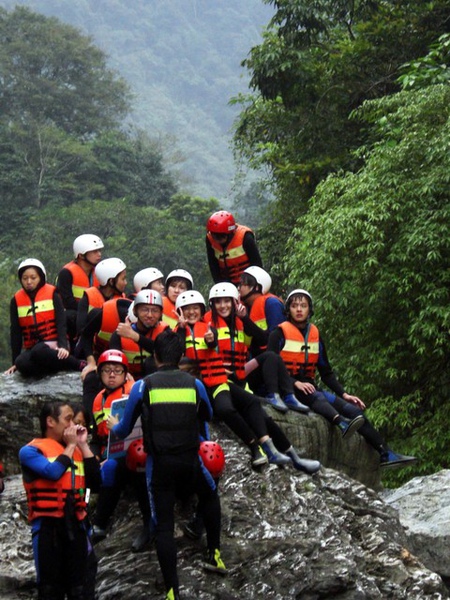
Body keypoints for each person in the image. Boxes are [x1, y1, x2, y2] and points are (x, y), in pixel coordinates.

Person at [107, 330, 227, 600]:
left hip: (159, 465)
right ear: (180, 355)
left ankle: (173, 591)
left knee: (163, 525)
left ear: (156, 356)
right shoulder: (194, 384)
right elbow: (208, 413)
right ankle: (215, 554)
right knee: (209, 495)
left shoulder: (142, 386)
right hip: (190, 461)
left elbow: (125, 429)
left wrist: (115, 426)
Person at [269, 288, 418, 467]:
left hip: (310, 386)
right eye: (294, 306)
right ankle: (341, 424)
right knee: (315, 396)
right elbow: (270, 367)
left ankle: (385, 453)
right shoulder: (278, 333)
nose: (299, 309)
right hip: (289, 388)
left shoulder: (314, 334)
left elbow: (326, 372)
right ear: (288, 309)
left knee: (355, 411)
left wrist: (344, 394)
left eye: (303, 306)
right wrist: (295, 383)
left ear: (310, 309)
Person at [205, 282, 320, 475]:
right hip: (220, 381)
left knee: (271, 360)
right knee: (257, 413)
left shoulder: (240, 322)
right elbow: (205, 349)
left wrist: (245, 319)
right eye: (218, 302)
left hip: (240, 379)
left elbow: (262, 340)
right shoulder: (207, 324)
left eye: (227, 301)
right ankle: (274, 452)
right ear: (212, 304)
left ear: (235, 303)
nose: (223, 306)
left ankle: (294, 456)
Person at [175, 290, 295, 469]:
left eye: (195, 309)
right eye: (187, 309)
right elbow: (176, 352)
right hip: (192, 388)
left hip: (216, 382)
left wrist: (211, 338)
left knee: (232, 407)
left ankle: (261, 448)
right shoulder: (176, 333)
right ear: (180, 312)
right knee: (218, 412)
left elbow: (212, 341)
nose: (192, 312)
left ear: (201, 310)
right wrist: (182, 330)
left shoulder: (209, 329)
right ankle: (257, 446)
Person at [19, 400, 101, 600]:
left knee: (80, 591)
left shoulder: (77, 451)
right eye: (68, 419)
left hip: (77, 527)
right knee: (50, 591)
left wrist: (82, 444)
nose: (73, 424)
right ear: (50, 421)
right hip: (49, 530)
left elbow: (95, 485)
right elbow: (52, 472)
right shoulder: (30, 451)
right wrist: (72, 445)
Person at [89, 350, 152, 552]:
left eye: (117, 370)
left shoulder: (135, 390)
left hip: (139, 448)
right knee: (106, 467)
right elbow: (97, 436)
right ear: (100, 374)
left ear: (126, 374)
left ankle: (149, 524)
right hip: (112, 452)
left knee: (135, 459)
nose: (112, 375)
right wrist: (97, 455)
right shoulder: (98, 399)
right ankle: (98, 524)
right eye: (107, 371)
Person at [5, 259, 85, 377]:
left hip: (55, 343)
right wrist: (14, 362)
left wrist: (63, 346)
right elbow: (15, 332)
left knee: (39, 351)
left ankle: (78, 364)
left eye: (33, 278)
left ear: (41, 277)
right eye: (25, 278)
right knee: (21, 362)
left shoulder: (53, 294)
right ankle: (48, 370)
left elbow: (61, 322)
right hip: (33, 348)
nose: (29, 282)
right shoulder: (16, 300)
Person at [110, 289, 169, 379]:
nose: (149, 315)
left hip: (157, 380)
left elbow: (164, 352)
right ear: (135, 311)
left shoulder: (166, 331)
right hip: (127, 378)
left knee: (151, 362)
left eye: (155, 311)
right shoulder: (120, 333)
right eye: (144, 310)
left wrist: (135, 336)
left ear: (161, 313)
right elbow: (114, 361)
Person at [56, 234, 104, 344]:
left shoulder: (99, 272)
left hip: (95, 314)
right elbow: (68, 302)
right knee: (71, 315)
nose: (99, 254)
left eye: (99, 251)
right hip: (74, 317)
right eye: (94, 251)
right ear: (81, 255)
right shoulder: (66, 273)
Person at [206, 210, 262, 284]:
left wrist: (254, 283)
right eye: (214, 236)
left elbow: (256, 262)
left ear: (229, 233)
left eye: (220, 236)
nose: (217, 240)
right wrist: (220, 284)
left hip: (247, 281)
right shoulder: (210, 239)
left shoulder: (245, 237)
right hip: (226, 282)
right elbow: (213, 265)